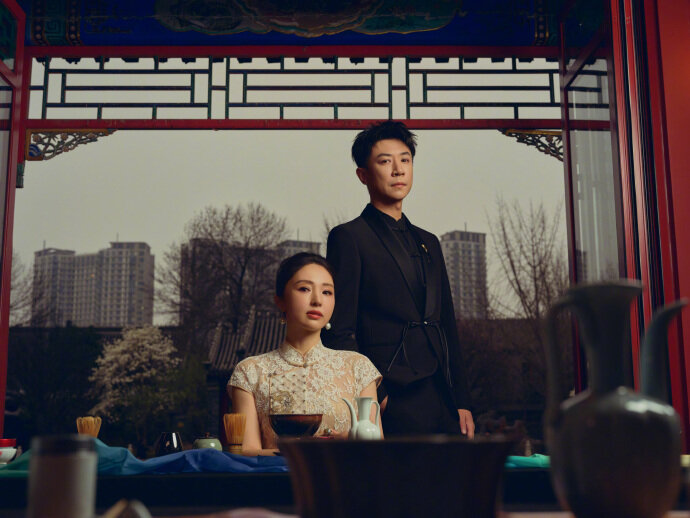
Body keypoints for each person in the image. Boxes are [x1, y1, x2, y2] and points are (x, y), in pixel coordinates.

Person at [322, 120, 475, 437]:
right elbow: (341, 330)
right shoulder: (349, 237)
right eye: (385, 161)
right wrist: (375, 398)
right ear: (363, 175)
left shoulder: (429, 241)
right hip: (391, 394)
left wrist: (461, 401)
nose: (398, 170)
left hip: (441, 396)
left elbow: (447, 325)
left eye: (405, 160)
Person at [229, 253, 382, 453]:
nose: (317, 300)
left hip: (347, 473)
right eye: (304, 289)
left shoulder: (358, 367)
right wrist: (308, 452)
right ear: (280, 301)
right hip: (275, 474)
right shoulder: (250, 371)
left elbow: (377, 449)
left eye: (327, 292)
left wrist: (347, 441)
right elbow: (246, 452)